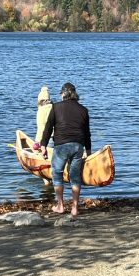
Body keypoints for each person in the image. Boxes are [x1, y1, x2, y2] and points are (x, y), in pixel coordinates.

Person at [40, 82, 91, 218]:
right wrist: (89, 150)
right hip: (78, 146)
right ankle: (75, 208)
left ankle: (60, 206)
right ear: (74, 94)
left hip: (61, 145)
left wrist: (43, 146)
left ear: (63, 94)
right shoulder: (83, 110)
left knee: (57, 174)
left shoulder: (56, 108)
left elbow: (48, 128)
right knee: (75, 177)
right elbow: (87, 133)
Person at [33, 86, 53, 150]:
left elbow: (41, 128)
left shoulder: (41, 111)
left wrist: (37, 142)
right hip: (59, 139)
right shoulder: (55, 108)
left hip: (47, 140)